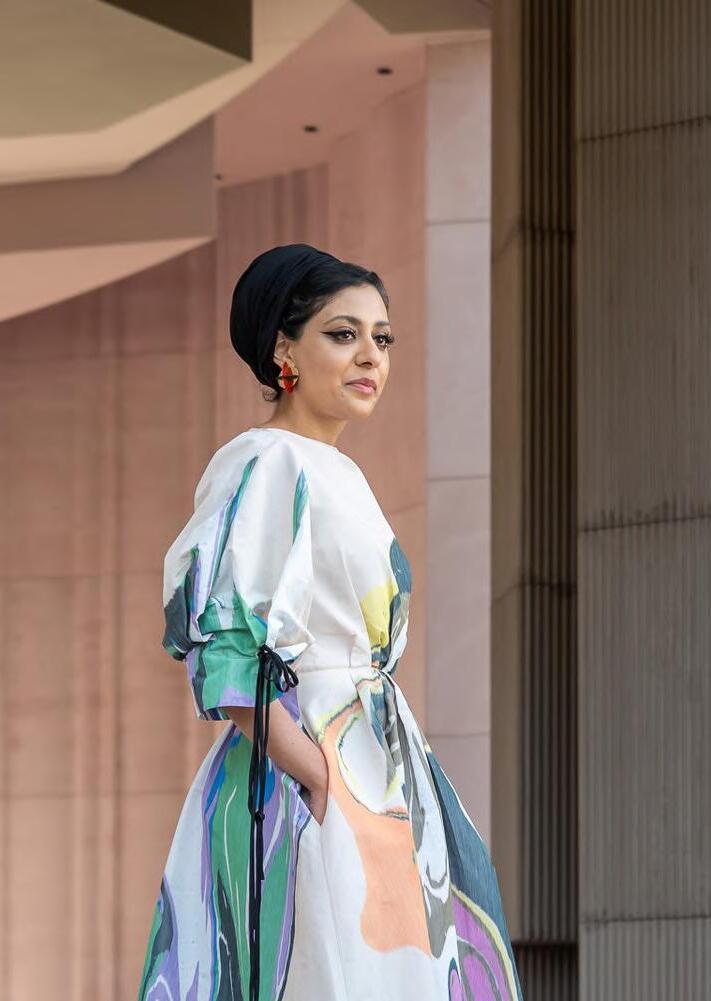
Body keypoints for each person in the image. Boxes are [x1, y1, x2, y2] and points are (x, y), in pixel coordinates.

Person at [136, 244, 523, 1001]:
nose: (370, 355)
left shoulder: (336, 470)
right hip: (313, 764)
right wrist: (314, 776)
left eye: (382, 337)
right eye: (343, 334)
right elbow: (224, 646)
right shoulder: (264, 460)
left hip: (372, 764)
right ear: (283, 350)